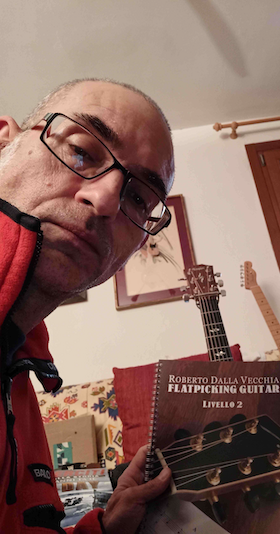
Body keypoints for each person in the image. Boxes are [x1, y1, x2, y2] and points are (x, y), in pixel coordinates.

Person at [0, 78, 174, 533]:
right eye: (80, 151)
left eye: (139, 198)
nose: (106, 200)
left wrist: (107, 527)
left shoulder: (22, 372)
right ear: (4, 144)